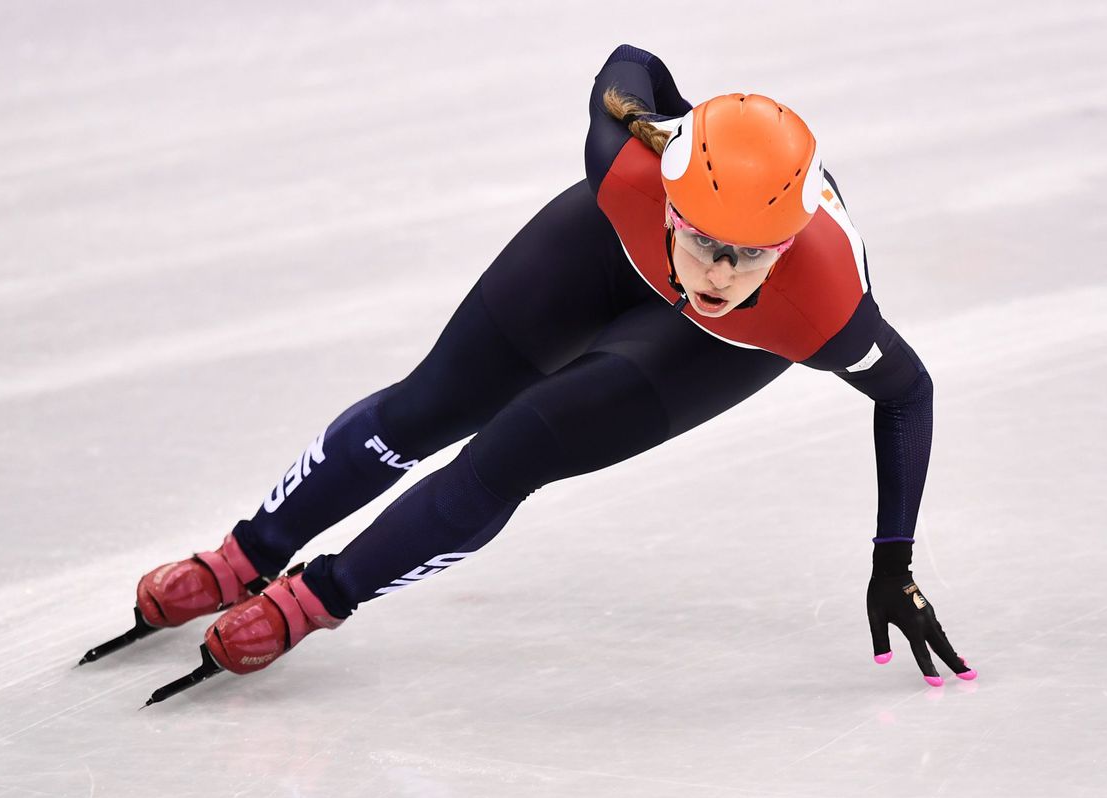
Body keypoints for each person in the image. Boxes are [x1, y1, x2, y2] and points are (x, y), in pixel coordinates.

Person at [133, 45, 976, 687]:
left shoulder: (820, 306)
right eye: (706, 242)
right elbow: (630, 63)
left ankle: (314, 600)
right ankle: (246, 553)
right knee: (428, 406)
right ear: (672, 199)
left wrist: (891, 562)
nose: (720, 273)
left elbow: (907, 395)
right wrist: (679, 122)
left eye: (750, 254)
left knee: (516, 446)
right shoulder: (625, 165)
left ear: (787, 246)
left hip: (715, 347)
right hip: (612, 248)